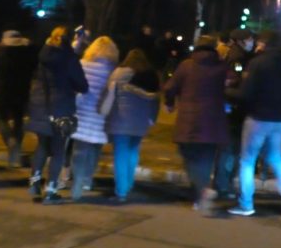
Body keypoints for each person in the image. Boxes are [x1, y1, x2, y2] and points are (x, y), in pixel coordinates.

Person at [227, 31, 281, 218]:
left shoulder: (257, 63)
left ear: (264, 44)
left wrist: (226, 91)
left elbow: (246, 94)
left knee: (247, 161)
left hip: (258, 118)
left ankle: (246, 205)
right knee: (277, 159)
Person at [164, 36, 229, 214]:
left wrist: (169, 103)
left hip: (189, 121)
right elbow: (232, 84)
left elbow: (170, 88)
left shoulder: (186, 65)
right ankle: (201, 195)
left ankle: (202, 191)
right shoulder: (222, 66)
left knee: (188, 155)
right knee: (206, 158)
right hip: (214, 122)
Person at [27, 26, 89, 205]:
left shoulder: (42, 56)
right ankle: (51, 189)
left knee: (42, 146)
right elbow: (82, 86)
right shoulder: (69, 59)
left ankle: (34, 183)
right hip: (61, 108)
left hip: (40, 105)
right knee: (58, 150)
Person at [102, 49, 161, 203]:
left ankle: (121, 191)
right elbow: (155, 98)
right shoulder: (149, 76)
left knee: (120, 154)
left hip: (121, 120)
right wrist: (151, 118)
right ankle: (128, 184)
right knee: (133, 151)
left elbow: (110, 94)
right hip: (140, 122)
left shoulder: (118, 73)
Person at [70, 36, 119, 201]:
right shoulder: (113, 70)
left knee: (79, 149)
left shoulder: (82, 65)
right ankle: (87, 180)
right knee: (95, 149)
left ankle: (76, 181)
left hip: (82, 112)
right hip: (100, 116)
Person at [213, 28, 255, 199]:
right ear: (242, 41)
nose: (252, 42)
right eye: (250, 39)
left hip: (235, 108)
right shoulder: (237, 58)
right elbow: (233, 83)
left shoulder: (241, 56)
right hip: (234, 110)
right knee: (229, 149)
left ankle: (224, 183)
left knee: (231, 149)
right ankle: (222, 185)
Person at [0, 30, 38, 168]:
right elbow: (35, 66)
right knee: (18, 119)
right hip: (22, 90)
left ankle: (10, 140)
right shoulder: (27, 51)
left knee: (1, 118)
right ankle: (16, 147)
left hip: (1, 90)